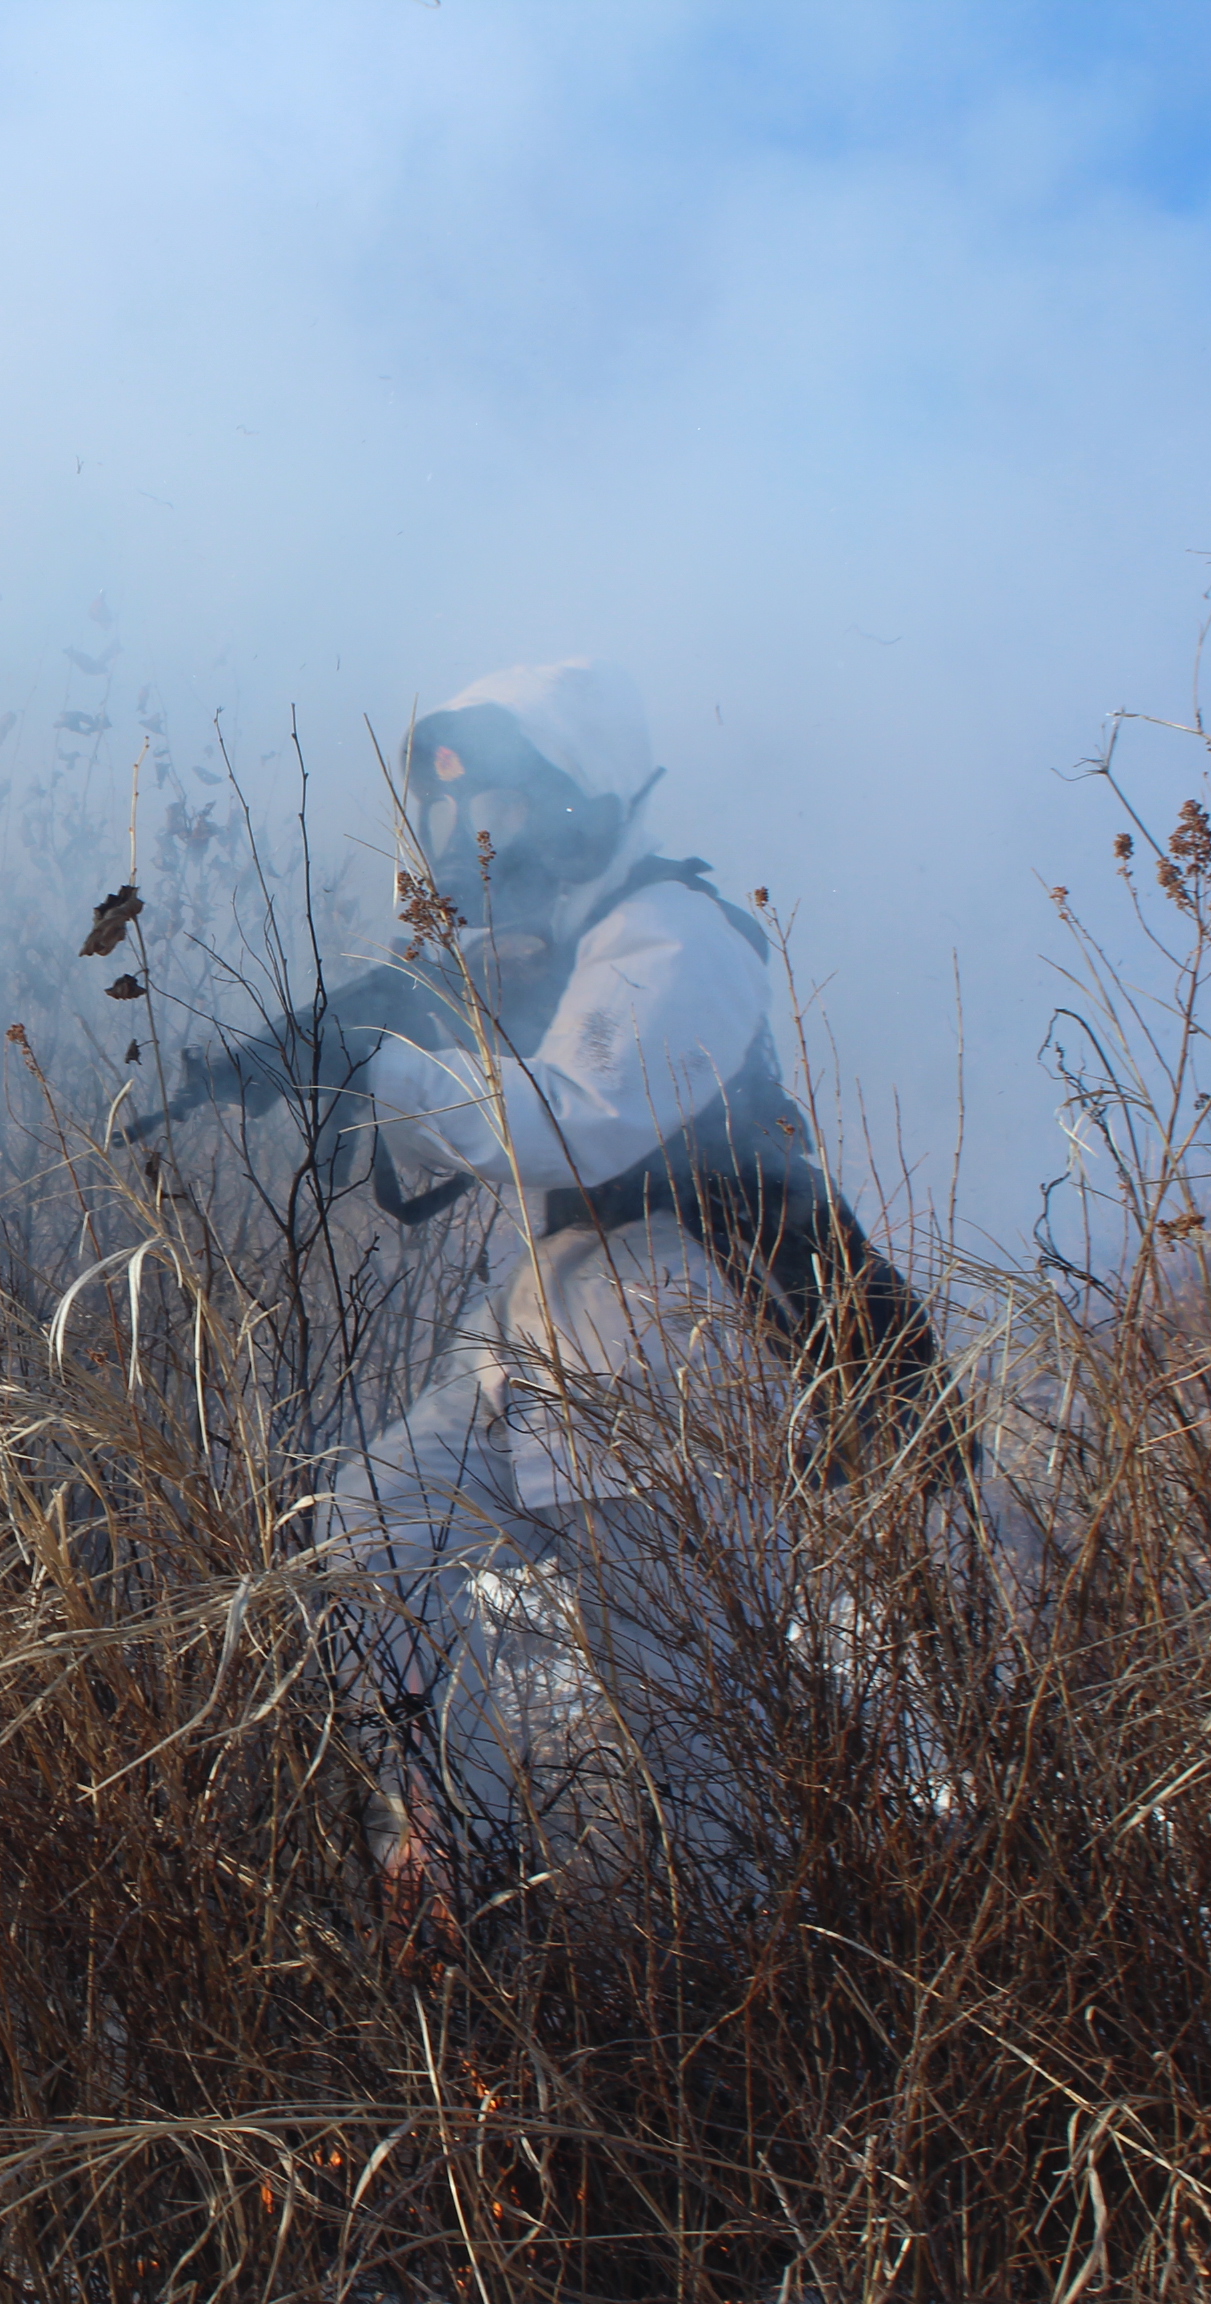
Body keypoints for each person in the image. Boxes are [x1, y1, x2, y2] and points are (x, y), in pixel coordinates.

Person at [283, 663, 954, 1907]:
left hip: (678, 1385)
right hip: (543, 1368)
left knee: (692, 1768)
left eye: (505, 813)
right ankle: (467, 1847)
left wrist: (386, 1070)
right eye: (459, 823)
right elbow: (491, 1142)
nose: (481, 847)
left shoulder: (676, 932)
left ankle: (740, 2023)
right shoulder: (553, 949)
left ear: (581, 797)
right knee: (369, 1523)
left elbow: (578, 1122)